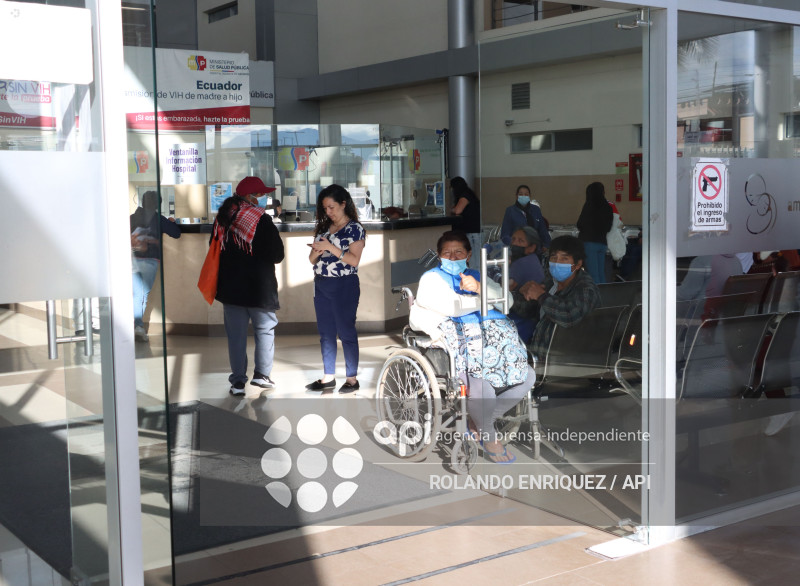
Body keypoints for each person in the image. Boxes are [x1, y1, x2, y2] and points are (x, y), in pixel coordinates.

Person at [409, 230, 536, 463]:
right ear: (439, 256)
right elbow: (452, 307)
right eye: (447, 253)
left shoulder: (477, 276)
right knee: (481, 384)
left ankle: (477, 422)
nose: (453, 257)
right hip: (461, 344)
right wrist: (485, 299)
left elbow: (507, 302)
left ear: (468, 255)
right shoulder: (431, 278)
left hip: (495, 342)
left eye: (459, 252)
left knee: (527, 376)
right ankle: (488, 436)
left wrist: (479, 288)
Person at [213, 176, 285, 396]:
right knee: (264, 331)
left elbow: (214, 249)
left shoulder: (223, 219)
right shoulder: (261, 220)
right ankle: (262, 376)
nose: (263, 199)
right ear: (250, 197)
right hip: (259, 289)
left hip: (231, 290)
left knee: (236, 336)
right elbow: (277, 255)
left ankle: (237, 383)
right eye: (261, 195)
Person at [306, 184, 366, 394]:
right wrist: (317, 250)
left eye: (331, 207)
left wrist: (330, 247)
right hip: (322, 283)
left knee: (346, 331)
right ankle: (328, 376)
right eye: (325, 208)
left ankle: (352, 379)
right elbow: (312, 259)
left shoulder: (355, 229)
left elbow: (354, 260)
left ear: (343, 204)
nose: (328, 212)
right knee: (326, 333)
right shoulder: (324, 229)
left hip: (344, 285)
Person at [514, 235, 600, 364]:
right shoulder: (552, 284)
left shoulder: (585, 289)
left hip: (565, 361)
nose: (557, 263)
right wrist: (520, 293)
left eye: (564, 259)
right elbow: (529, 309)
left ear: (577, 264)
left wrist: (541, 295)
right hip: (539, 355)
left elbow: (568, 315)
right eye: (554, 257)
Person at [130, 190, 181, 342]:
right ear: (157, 205)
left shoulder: (132, 218)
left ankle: (136, 326)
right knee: (141, 294)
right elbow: (176, 233)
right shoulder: (159, 218)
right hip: (150, 260)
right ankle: (137, 326)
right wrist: (173, 223)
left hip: (133, 259)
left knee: (137, 294)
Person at [576, 182, 613, 284]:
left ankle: (596, 298)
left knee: (593, 274)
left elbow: (580, 224)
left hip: (589, 243)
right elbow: (608, 227)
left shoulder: (589, 205)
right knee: (601, 273)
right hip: (602, 243)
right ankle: (603, 295)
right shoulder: (608, 207)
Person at [500, 184, 551, 251]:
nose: (523, 196)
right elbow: (505, 233)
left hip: (535, 248)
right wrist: (514, 245)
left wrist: (546, 245)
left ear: (530, 196)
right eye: (520, 194)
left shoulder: (536, 210)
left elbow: (543, 230)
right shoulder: (510, 210)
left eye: (526, 194)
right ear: (516, 196)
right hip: (517, 248)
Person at [449, 176, 481, 260]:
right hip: (472, 232)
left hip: (472, 233)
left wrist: (450, 210)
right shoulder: (469, 194)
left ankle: (476, 274)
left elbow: (457, 210)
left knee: (474, 260)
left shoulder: (465, 196)